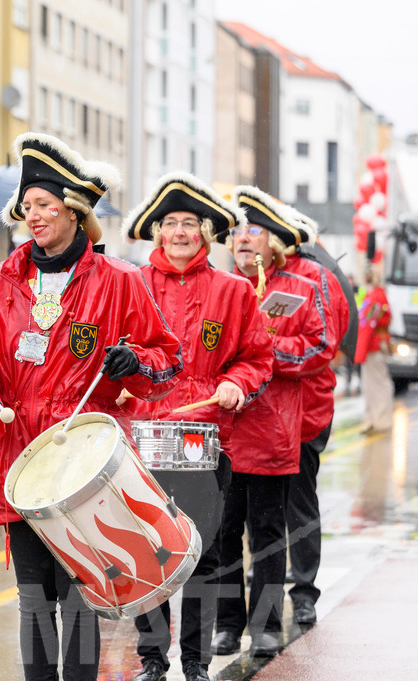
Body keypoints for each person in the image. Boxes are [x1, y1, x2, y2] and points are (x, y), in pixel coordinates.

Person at [0, 133, 183, 681]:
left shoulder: (120, 280)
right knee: (33, 600)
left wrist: (135, 363)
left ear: (74, 211)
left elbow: (167, 361)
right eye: (26, 206)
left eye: (45, 206)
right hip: (19, 462)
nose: (32, 216)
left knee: (80, 599)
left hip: (84, 467)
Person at [122, 173, 273, 681]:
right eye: (170, 223)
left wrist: (236, 382)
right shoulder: (132, 283)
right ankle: (152, 660)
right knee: (148, 552)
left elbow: (258, 358)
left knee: (202, 555)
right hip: (141, 434)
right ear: (158, 232)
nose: (180, 232)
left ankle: (195, 663)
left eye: (190, 223)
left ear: (206, 233)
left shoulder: (234, 290)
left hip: (205, 438)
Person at [211, 185, 333, 659]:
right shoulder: (219, 287)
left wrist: (265, 351)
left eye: (254, 230)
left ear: (274, 240)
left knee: (266, 532)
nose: (243, 239)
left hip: (274, 431)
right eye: (237, 231)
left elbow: (320, 348)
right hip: (224, 433)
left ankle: (265, 625)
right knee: (224, 532)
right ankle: (227, 624)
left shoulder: (302, 288)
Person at [280, 210, 349, 626]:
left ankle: (304, 590)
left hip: (305, 413)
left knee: (299, 503)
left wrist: (264, 351)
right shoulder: (247, 278)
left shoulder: (315, 278)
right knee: (258, 508)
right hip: (257, 415)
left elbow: (323, 345)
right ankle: (267, 579)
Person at [357, 265, 393, 433]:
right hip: (378, 344)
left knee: (376, 384)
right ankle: (374, 419)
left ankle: (380, 420)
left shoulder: (374, 297)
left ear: (366, 279)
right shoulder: (380, 295)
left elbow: (367, 325)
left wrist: (360, 351)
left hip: (373, 346)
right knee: (373, 383)